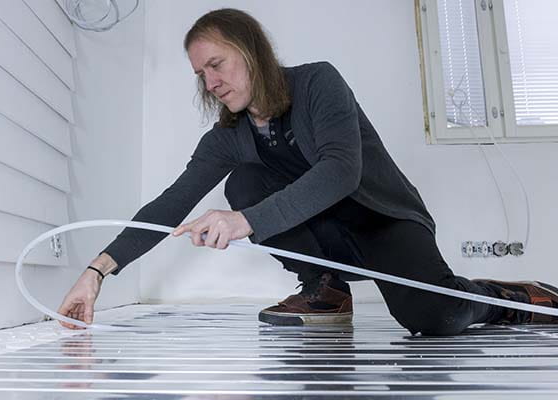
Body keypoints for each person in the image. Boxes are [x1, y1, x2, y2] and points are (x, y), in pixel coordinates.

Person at [58, 8, 558, 334]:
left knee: (434, 318)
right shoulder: (228, 136)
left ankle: (507, 297)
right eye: (200, 74)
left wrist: (244, 221)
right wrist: (96, 272)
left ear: (251, 51)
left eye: (217, 64)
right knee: (244, 181)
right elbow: (171, 203)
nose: (210, 83)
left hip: (383, 220)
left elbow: (340, 171)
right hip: (326, 236)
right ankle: (326, 288)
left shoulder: (318, 82)